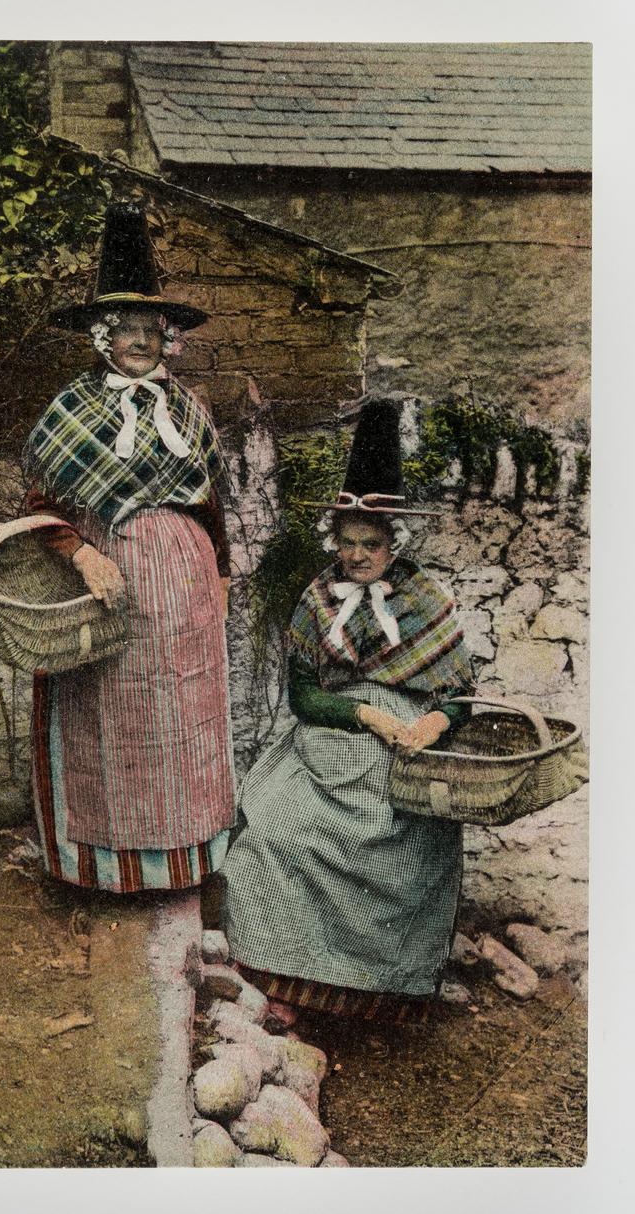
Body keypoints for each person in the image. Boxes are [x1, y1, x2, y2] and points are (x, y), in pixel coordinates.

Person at [221, 400, 474, 1024]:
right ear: (333, 541)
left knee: (406, 852)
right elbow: (304, 697)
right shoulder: (315, 598)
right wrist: (367, 717)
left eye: (372, 544)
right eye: (348, 542)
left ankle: (382, 997)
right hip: (328, 741)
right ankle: (285, 979)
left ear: (394, 545)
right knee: (271, 828)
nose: (358, 556)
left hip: (400, 761)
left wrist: (426, 726)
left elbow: (460, 697)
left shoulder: (424, 601)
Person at [22, 202, 235, 894]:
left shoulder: (189, 410)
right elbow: (41, 506)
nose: (140, 341)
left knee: (181, 718)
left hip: (186, 586)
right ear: (103, 337)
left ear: (165, 338)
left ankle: (181, 868)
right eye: (126, 330)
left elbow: (210, 503)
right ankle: (100, 871)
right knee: (106, 716)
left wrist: (223, 575)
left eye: (151, 329)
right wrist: (82, 554)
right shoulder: (72, 408)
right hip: (105, 580)